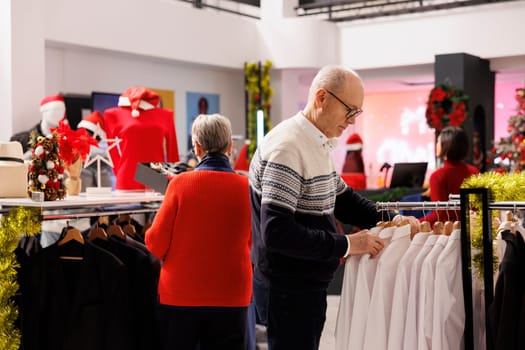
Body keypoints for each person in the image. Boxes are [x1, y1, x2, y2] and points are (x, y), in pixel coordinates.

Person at [249, 65, 419, 350]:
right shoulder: (288, 148)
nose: (352, 121)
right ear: (321, 98)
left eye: (357, 113)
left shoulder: (316, 142)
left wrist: (393, 219)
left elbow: (344, 199)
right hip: (288, 288)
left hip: (303, 284)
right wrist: (348, 244)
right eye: (349, 110)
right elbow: (277, 233)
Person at [145, 113, 252, 350]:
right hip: (232, 293)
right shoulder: (247, 188)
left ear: (196, 146)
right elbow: (254, 242)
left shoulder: (179, 185)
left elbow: (155, 242)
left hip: (181, 294)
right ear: (230, 146)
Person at [420, 125, 479, 225]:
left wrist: (416, 222)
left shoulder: (438, 176)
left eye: (438, 141)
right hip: (472, 230)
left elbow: (440, 214)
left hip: (448, 233)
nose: (436, 145)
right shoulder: (474, 172)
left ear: (446, 145)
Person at [10, 94, 66, 158]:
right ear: (44, 111)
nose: (59, 114)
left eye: (62, 110)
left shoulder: (66, 140)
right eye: (55, 110)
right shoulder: (20, 141)